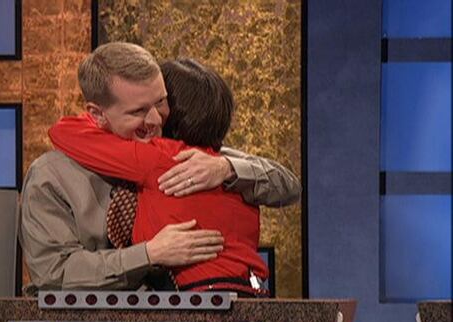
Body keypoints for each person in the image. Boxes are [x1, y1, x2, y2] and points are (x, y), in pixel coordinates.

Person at [19, 42, 300, 294]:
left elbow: (286, 185)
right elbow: (54, 274)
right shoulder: (51, 176)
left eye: (160, 102)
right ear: (97, 114)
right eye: (138, 111)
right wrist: (149, 254)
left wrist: (226, 168)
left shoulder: (183, 153)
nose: (156, 119)